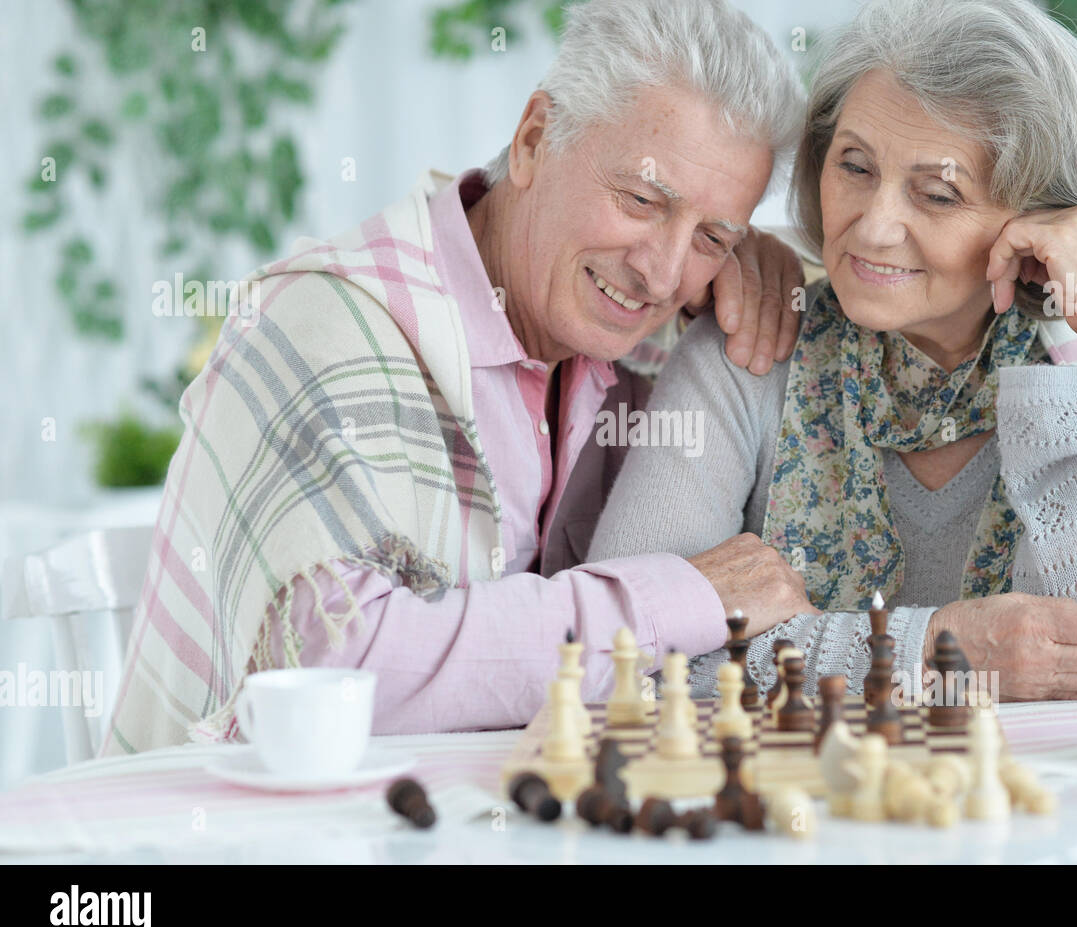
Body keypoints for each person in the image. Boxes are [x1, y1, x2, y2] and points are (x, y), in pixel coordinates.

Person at [102, 0, 817, 754]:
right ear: (535, 139)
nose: (662, 271)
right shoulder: (321, 324)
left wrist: (776, 263)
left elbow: (887, 302)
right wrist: (682, 596)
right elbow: (333, 663)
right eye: (641, 200)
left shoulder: (643, 335)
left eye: (711, 235)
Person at [590, 0, 1077, 706]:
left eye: (937, 194)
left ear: (1039, 220)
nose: (874, 226)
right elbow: (622, 653)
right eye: (855, 167)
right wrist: (935, 651)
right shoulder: (751, 345)